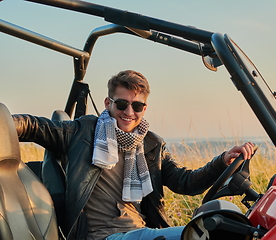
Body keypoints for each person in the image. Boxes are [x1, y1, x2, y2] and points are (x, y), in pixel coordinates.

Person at [13, 70, 255, 240]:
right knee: (206, 235)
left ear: (144, 108)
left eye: (137, 106)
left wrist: (222, 161)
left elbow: (185, 182)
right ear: (108, 102)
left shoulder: (151, 145)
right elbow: (35, 126)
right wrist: (6, 123)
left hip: (141, 231)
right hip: (102, 236)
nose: (129, 112)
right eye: (121, 104)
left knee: (229, 225)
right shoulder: (83, 131)